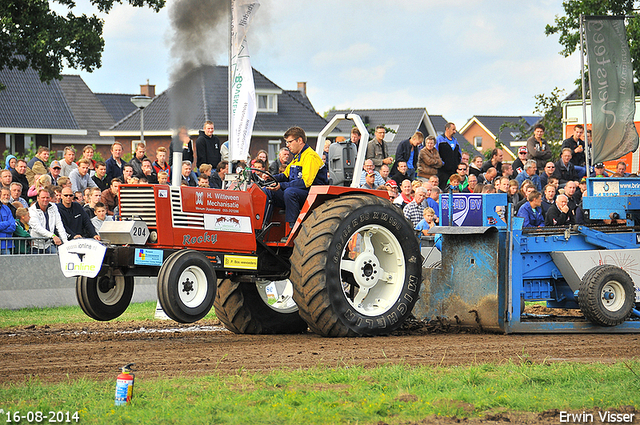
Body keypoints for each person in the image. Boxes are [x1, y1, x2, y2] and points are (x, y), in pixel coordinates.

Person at [263, 127, 328, 232]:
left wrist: (282, 185)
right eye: (286, 142)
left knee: (290, 192)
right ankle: (264, 226)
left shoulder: (310, 156)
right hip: (299, 191)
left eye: (289, 142)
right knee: (268, 191)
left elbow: (306, 182)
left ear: (300, 140)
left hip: (312, 195)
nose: (287, 145)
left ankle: (292, 229)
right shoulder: (297, 157)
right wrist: (270, 178)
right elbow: (285, 176)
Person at [29, 188, 67, 253]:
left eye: (47, 197)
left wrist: (66, 242)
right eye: (43, 197)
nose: (45, 199)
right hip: (36, 245)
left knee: (56, 258)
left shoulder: (54, 207)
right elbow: (37, 228)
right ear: (38, 198)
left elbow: (59, 225)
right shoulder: (32, 210)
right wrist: (53, 236)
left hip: (49, 244)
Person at [436, 122, 461, 189]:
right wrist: (441, 163)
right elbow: (435, 153)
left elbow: (459, 154)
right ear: (447, 129)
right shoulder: (439, 139)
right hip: (443, 171)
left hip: (453, 170)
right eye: (453, 129)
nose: (454, 132)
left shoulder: (455, 141)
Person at [0, 188, 16, 254]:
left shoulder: (6, 208)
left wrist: (2, 227)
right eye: (4, 195)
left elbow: (13, 227)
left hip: (6, 246)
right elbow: (10, 223)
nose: (6, 197)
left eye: (8, 195)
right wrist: (7, 223)